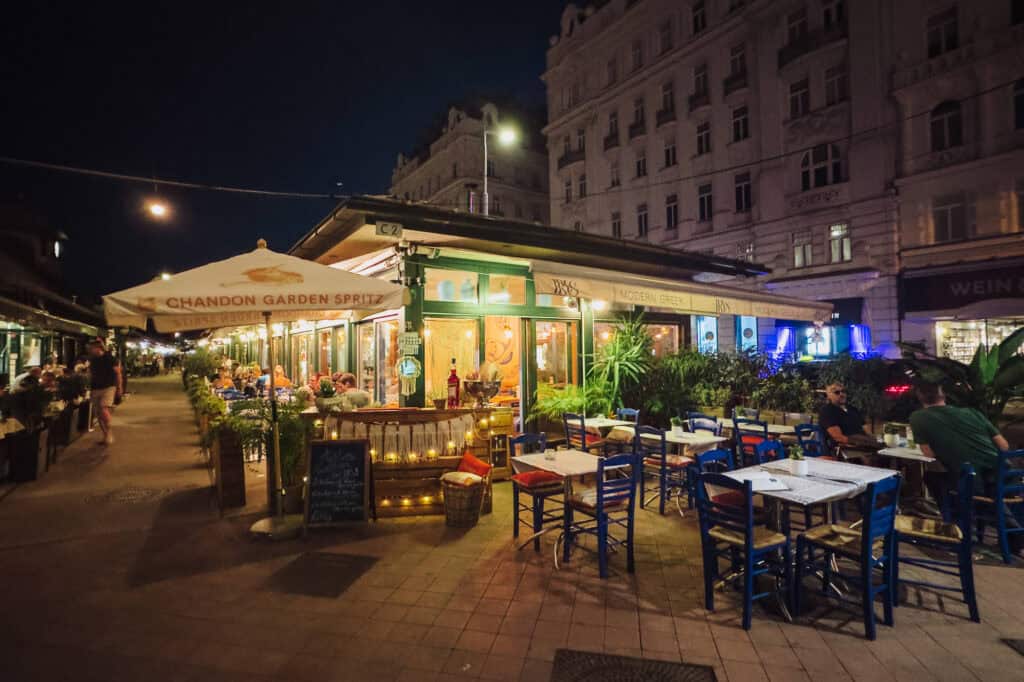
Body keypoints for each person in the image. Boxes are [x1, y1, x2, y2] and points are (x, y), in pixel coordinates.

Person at [910, 380, 1012, 498]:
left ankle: (959, 513)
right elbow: (1003, 446)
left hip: (973, 481)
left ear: (919, 398)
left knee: (931, 477)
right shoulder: (972, 412)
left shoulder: (917, 418)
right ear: (944, 395)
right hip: (1006, 475)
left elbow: (929, 454)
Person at [818, 382, 879, 454]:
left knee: (885, 451)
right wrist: (859, 442)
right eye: (837, 392)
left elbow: (866, 429)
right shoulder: (827, 411)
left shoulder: (853, 409)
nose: (841, 394)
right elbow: (838, 437)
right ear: (829, 396)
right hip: (843, 448)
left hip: (863, 444)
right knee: (872, 458)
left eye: (843, 391)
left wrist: (872, 440)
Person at [88, 339, 122, 446]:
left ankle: (109, 432)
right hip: (95, 388)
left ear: (98, 348)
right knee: (98, 414)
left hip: (108, 387)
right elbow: (91, 374)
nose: (90, 349)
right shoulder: (93, 360)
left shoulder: (110, 358)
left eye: (92, 347)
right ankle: (106, 434)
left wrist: (119, 387)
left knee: (103, 408)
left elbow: (118, 373)